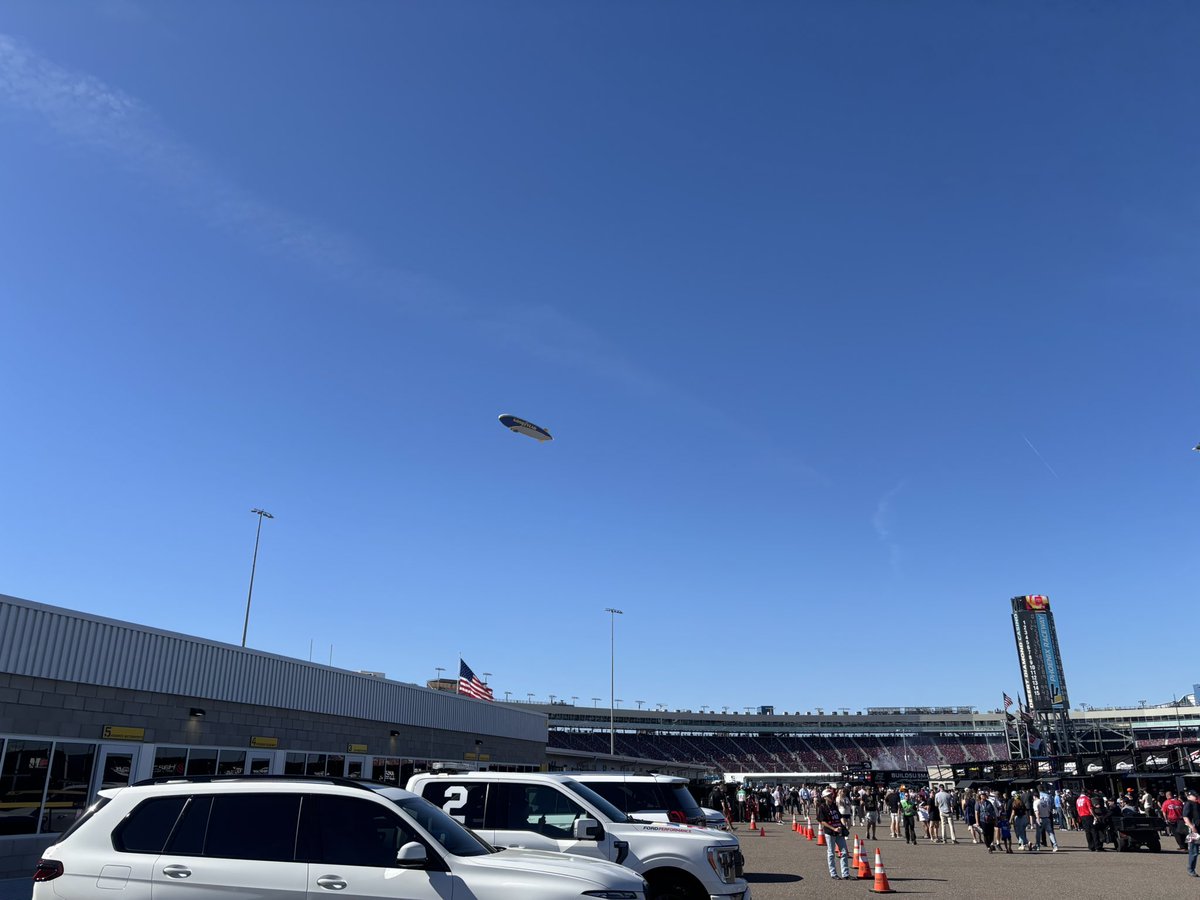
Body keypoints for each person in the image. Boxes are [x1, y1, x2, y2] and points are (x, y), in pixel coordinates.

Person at [818, 788, 851, 880]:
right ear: (824, 797)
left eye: (831, 795)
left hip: (839, 831)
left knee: (844, 852)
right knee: (831, 853)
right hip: (830, 832)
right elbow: (822, 821)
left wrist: (842, 825)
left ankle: (845, 874)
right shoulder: (822, 807)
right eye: (828, 796)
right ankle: (833, 873)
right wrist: (833, 828)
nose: (831, 797)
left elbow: (839, 816)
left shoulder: (833, 806)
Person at [1182, 788, 1200, 878]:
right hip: (1193, 829)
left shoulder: (1197, 804)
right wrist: (1192, 827)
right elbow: (1185, 817)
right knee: (1194, 851)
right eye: (1194, 795)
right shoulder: (1188, 803)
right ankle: (1191, 870)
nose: (1196, 796)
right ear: (1189, 796)